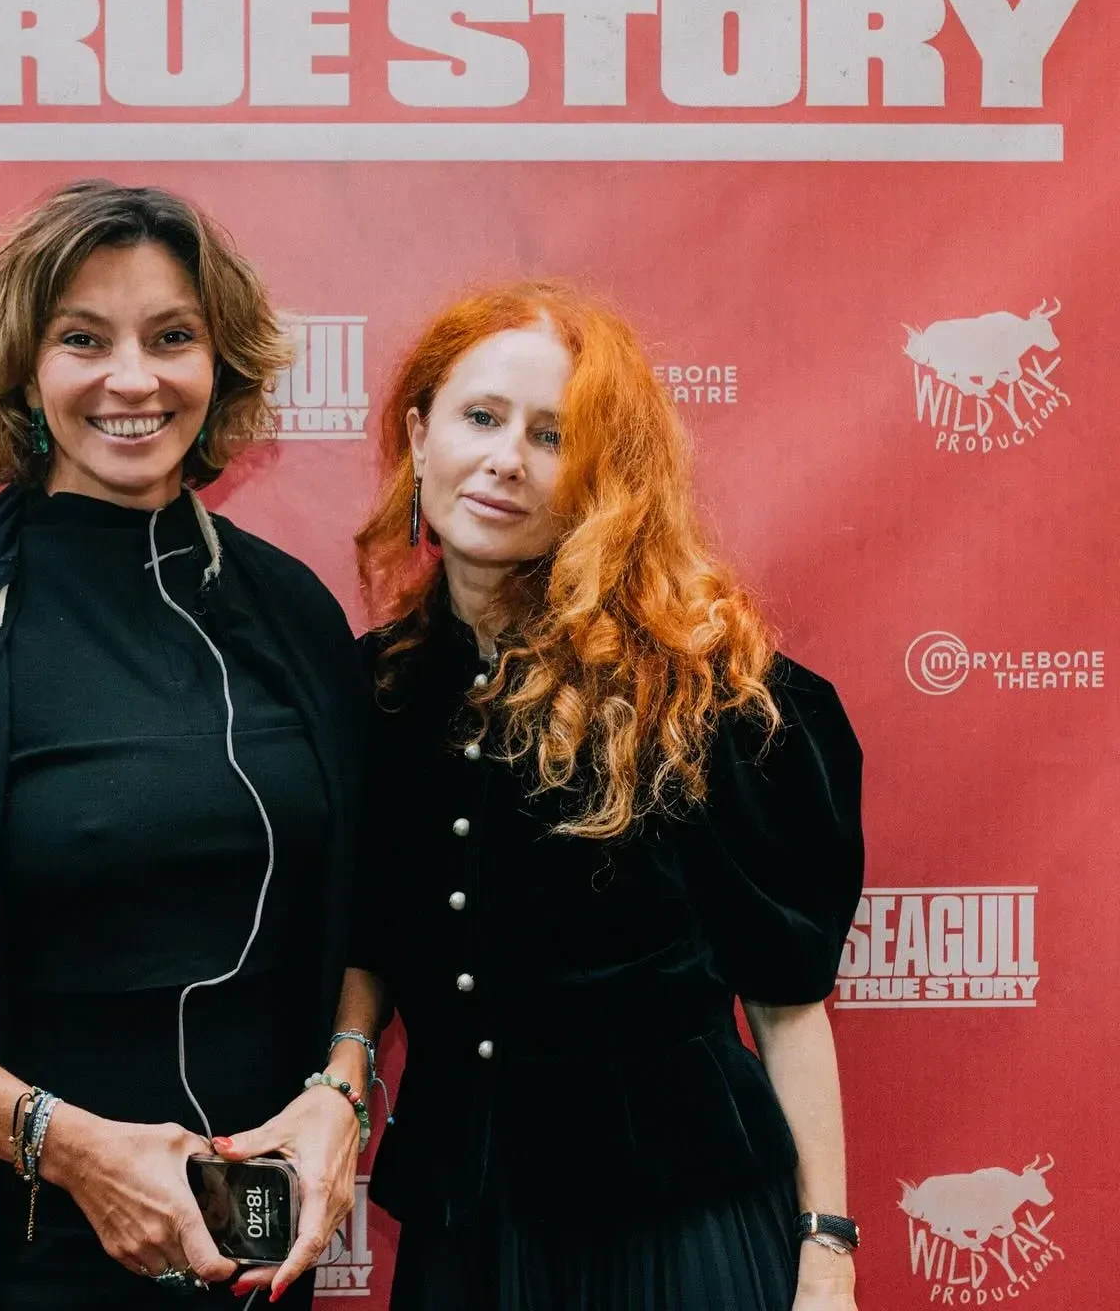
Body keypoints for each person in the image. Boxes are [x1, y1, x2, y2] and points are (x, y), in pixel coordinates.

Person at [0, 181, 371, 1311]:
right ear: (24, 369)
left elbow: (366, 904)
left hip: (251, 1259)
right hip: (14, 1259)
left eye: (173, 336)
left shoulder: (291, 613)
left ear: (221, 363)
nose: (132, 379)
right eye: (83, 339)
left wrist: (342, 1088)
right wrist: (72, 1148)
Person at [339, 282, 865, 1311]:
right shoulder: (374, 690)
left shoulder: (707, 690)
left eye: (553, 436)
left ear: (601, 480)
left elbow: (787, 1003)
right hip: (467, 1233)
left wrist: (827, 1256)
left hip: (678, 1236)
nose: (507, 458)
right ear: (420, 433)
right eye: (481, 416)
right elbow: (366, 937)